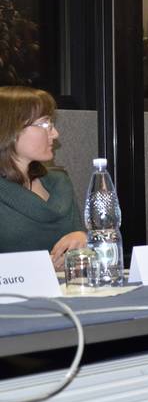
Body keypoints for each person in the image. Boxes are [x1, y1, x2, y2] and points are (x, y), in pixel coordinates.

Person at [0, 86, 86, 268]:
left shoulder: (59, 183)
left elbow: (81, 241)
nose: (55, 134)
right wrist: (39, 268)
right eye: (45, 124)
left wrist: (82, 238)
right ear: (9, 129)